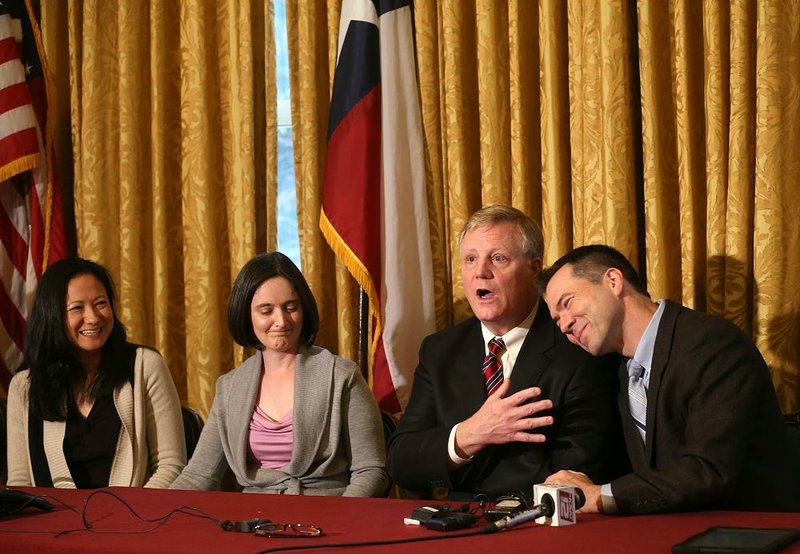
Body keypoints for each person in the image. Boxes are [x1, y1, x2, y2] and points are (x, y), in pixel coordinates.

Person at [387, 205, 624, 500]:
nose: (480, 273)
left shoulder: (577, 343)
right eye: (471, 259)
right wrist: (470, 434)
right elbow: (402, 462)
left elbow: (581, 469)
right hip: (458, 529)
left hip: (540, 525)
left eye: (498, 259)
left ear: (534, 269)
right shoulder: (440, 351)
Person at [542, 244, 800, 513]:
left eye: (567, 303)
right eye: (557, 319)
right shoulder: (615, 371)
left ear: (614, 281)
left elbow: (708, 471)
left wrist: (599, 495)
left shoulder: (712, 344)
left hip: (754, 532)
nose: (564, 325)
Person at [170, 252, 388, 496]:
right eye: (266, 311)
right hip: (254, 522)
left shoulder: (342, 376)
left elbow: (370, 470)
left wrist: (341, 523)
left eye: (290, 308)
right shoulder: (230, 387)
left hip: (329, 518)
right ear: (247, 315)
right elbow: (199, 474)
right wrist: (156, 511)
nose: (281, 321)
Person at [6, 258, 186, 488]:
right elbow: (20, 482)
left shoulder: (144, 366)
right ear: (52, 316)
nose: (92, 317)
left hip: (135, 519)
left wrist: (132, 516)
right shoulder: (23, 386)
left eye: (100, 303)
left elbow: (171, 465)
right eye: (77, 308)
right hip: (52, 522)